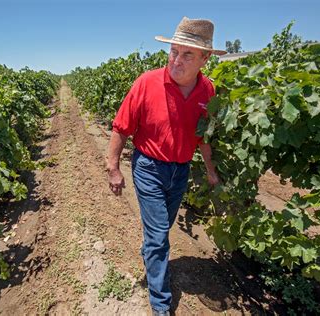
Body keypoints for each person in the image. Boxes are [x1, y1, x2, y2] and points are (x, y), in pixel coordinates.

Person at [106, 17, 227, 315]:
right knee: (160, 234)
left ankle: (150, 252)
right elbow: (121, 128)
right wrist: (113, 168)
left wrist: (211, 170)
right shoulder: (146, 83)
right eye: (174, 51)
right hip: (148, 167)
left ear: (205, 58)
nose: (177, 60)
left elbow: (204, 138)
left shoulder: (207, 92)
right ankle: (161, 304)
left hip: (181, 170)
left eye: (187, 54)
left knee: (161, 230)